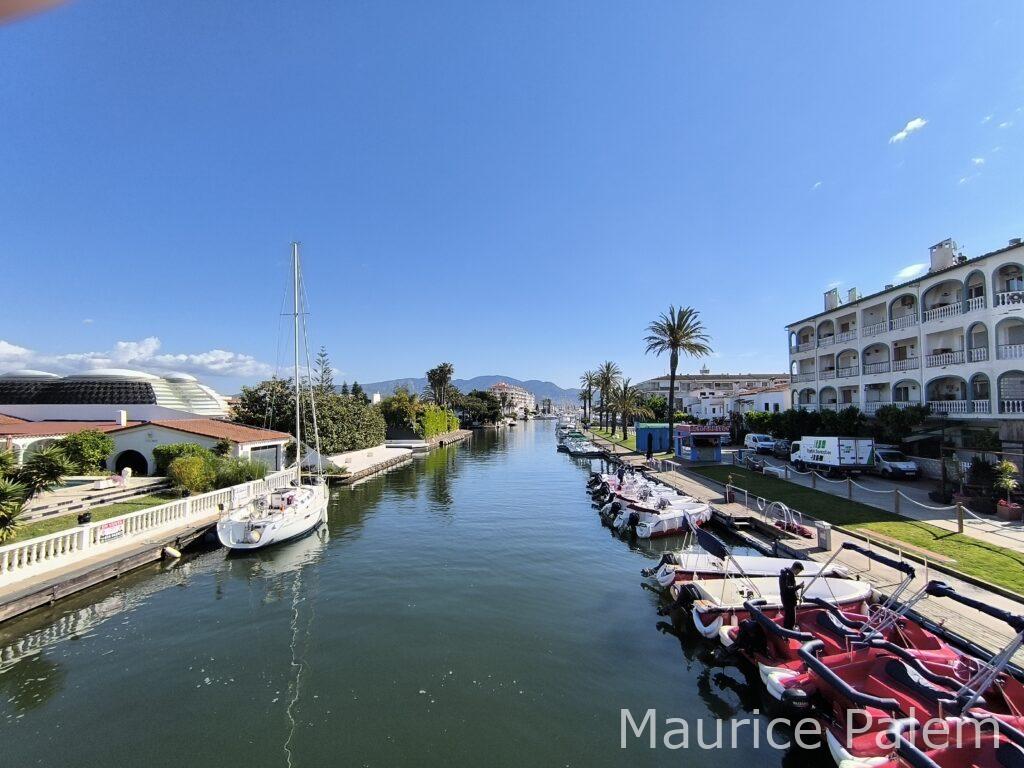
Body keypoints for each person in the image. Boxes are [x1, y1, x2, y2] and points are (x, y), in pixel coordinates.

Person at [778, 562, 804, 629]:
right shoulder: (788, 575)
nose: (798, 573)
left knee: (789, 618)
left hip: (788, 599)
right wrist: (799, 586)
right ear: (797, 569)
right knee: (790, 619)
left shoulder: (788, 574)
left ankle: (787, 630)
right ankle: (788, 631)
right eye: (799, 571)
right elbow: (788, 589)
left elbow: (790, 588)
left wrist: (797, 597)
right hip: (788, 600)